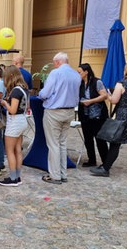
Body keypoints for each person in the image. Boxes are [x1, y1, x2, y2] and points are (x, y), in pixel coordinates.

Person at [90, 61, 127, 178]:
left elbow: (114, 100)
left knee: (115, 143)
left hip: (125, 115)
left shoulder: (121, 84)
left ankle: (105, 169)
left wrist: (108, 95)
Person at [38, 52, 80, 184]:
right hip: (69, 111)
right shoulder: (76, 74)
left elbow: (45, 93)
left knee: (53, 144)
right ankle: (63, 173)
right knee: (62, 143)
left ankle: (55, 175)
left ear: (57, 62)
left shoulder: (55, 73)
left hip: (55, 111)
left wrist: (40, 95)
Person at [0, 66, 29, 186]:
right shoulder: (24, 89)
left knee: (9, 151)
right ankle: (17, 176)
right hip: (22, 121)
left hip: (14, 122)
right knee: (17, 150)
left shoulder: (15, 91)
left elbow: (13, 110)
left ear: (10, 76)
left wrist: (5, 103)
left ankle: (12, 178)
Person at [77, 63, 109, 167]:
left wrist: (91, 101)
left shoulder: (97, 82)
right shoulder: (80, 84)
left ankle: (106, 162)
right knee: (88, 139)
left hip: (97, 115)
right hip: (85, 115)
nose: (78, 74)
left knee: (100, 139)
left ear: (86, 72)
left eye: (79, 72)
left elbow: (104, 95)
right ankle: (92, 160)